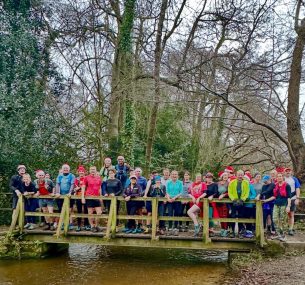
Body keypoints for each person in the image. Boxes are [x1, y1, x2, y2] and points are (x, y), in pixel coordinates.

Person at [262, 172, 291, 241]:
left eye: (280, 176)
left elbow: (289, 197)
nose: (279, 177)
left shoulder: (287, 185)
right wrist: (265, 200)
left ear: (282, 177)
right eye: (278, 176)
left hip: (284, 204)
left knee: (282, 220)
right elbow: (274, 196)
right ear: (276, 178)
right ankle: (279, 234)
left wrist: (288, 206)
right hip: (276, 204)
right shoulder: (275, 185)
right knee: (274, 219)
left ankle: (283, 236)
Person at [228, 170, 250, 238]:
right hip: (234, 202)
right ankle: (233, 232)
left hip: (242, 202)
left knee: (241, 216)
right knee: (232, 216)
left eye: (241, 175)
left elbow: (247, 192)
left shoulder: (246, 183)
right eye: (239, 175)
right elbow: (230, 192)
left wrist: (242, 199)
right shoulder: (232, 182)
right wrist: (233, 199)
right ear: (236, 175)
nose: (240, 176)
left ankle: (240, 232)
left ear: (243, 175)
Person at [81, 166, 103, 232]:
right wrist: (83, 197)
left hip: (97, 197)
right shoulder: (86, 178)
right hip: (89, 197)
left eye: (94, 169)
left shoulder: (99, 178)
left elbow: (100, 188)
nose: (92, 170)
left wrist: (101, 196)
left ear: (96, 170)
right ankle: (92, 226)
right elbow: (83, 187)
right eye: (91, 169)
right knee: (90, 212)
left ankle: (96, 225)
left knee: (99, 212)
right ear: (89, 170)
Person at [166, 170, 183, 236]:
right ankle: (170, 228)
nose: (174, 175)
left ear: (177, 175)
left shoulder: (180, 182)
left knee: (176, 214)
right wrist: (168, 198)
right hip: (170, 200)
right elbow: (167, 191)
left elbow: (181, 192)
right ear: (171, 175)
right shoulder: (168, 182)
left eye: (175, 174)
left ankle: (176, 228)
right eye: (173, 174)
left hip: (177, 200)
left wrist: (174, 198)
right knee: (170, 214)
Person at [284, 167, 300, 235]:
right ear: (284, 172)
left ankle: (290, 229)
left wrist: (297, 198)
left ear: (291, 172)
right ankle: (284, 228)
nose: (288, 172)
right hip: (284, 198)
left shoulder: (294, 179)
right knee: (284, 215)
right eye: (286, 171)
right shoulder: (282, 178)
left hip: (293, 198)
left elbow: (297, 188)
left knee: (291, 214)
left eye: (289, 171)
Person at [73, 165, 90, 231]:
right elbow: (74, 188)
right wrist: (77, 188)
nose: (81, 173)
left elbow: (88, 187)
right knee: (79, 211)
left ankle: (86, 224)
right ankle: (78, 225)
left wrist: (80, 187)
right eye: (80, 172)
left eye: (82, 172)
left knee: (86, 211)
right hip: (78, 196)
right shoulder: (76, 179)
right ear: (78, 172)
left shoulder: (87, 178)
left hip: (86, 196)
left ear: (84, 172)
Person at [217, 171, 229, 237]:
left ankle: (225, 230)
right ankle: (222, 229)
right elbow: (216, 192)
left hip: (225, 202)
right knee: (220, 216)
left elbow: (229, 192)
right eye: (224, 176)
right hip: (218, 202)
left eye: (226, 176)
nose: (225, 177)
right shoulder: (218, 183)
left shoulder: (229, 183)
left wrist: (224, 195)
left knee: (225, 216)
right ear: (222, 176)